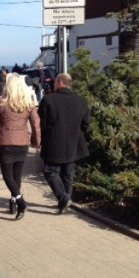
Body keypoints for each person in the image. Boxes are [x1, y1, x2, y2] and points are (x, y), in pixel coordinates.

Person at [0, 74, 41, 219]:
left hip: (6, 142)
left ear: (8, 86)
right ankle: (13, 201)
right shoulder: (28, 102)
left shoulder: (0, 102)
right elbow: (36, 125)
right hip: (22, 143)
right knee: (16, 175)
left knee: (7, 176)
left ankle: (20, 201)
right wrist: (36, 142)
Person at [38, 73, 90, 213]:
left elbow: (42, 124)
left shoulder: (48, 100)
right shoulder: (81, 101)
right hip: (73, 143)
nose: (54, 85)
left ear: (60, 83)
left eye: (55, 82)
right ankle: (65, 201)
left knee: (50, 171)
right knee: (68, 173)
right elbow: (85, 125)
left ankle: (63, 198)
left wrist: (40, 140)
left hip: (53, 142)